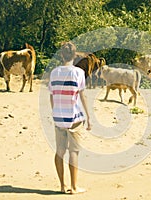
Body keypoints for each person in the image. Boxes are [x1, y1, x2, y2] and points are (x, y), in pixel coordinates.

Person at [48, 41, 91, 194]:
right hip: (74, 117)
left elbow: (52, 96)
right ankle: (73, 187)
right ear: (75, 55)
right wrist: (88, 116)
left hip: (58, 117)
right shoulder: (78, 72)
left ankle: (61, 186)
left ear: (61, 55)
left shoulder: (54, 73)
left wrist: (56, 112)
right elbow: (82, 96)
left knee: (60, 150)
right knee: (74, 152)